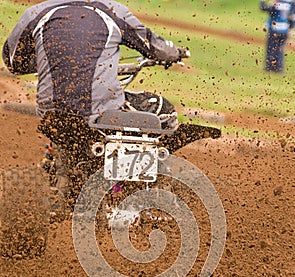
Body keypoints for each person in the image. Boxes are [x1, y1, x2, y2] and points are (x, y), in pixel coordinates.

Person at [2, 0, 188, 199]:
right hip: (101, 111)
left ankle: (58, 166)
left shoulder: (36, 14)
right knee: (163, 109)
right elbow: (156, 48)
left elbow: (13, 62)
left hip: (52, 111)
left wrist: (49, 60)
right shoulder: (112, 10)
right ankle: (155, 188)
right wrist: (176, 53)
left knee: (62, 128)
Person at [260, 0, 295, 73]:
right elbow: (293, 16)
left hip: (274, 29)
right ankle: (279, 67)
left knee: (271, 48)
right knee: (280, 49)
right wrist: (291, 28)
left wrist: (263, 2)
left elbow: (264, 9)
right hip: (284, 29)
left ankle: (270, 67)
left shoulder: (276, 3)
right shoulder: (291, 3)